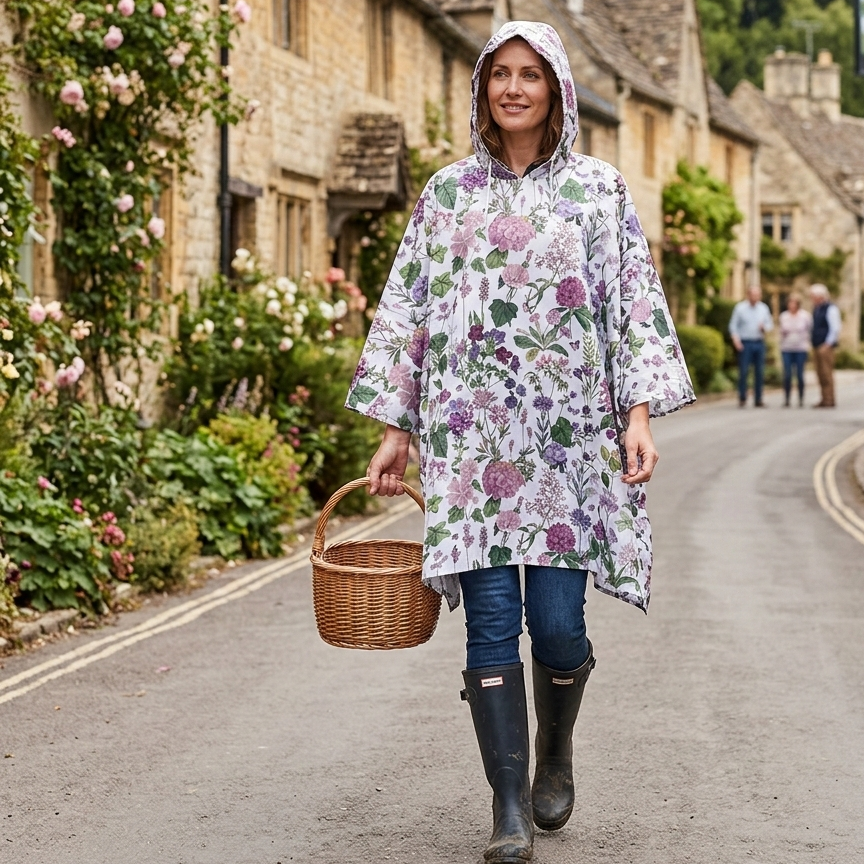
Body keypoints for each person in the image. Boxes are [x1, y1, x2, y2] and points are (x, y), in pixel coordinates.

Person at [346, 21, 694, 863]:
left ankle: (555, 750)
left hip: (570, 445)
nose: (512, 88)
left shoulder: (600, 193)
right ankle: (507, 807)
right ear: (481, 90)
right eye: (498, 74)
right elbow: (409, 311)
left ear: (557, 90)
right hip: (469, 444)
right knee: (492, 621)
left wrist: (637, 415)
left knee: (559, 622)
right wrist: (398, 428)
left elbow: (633, 307)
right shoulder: (445, 195)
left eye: (529, 75)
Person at [729, 285, 773, 407]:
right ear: (748, 295)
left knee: (759, 372)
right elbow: (733, 326)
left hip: (759, 342)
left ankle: (758, 398)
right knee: (743, 371)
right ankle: (742, 397)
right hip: (745, 343)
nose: (755, 297)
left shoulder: (763, 308)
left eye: (758, 295)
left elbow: (770, 324)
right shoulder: (740, 308)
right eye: (753, 295)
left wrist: (765, 328)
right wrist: (736, 341)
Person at [809, 283, 841, 408]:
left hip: (825, 346)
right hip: (817, 344)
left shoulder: (830, 308)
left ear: (819, 296)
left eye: (813, 296)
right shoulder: (817, 309)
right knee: (820, 373)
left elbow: (835, 327)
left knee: (827, 373)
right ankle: (824, 398)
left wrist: (828, 343)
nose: (811, 299)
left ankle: (830, 399)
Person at [778, 293, 811, 407]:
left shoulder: (805, 316)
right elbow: (781, 332)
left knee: (800, 375)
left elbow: (810, 330)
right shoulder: (784, 316)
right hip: (787, 348)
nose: (792, 305)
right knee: (787, 374)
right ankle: (787, 398)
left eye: (794, 303)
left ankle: (801, 398)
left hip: (800, 348)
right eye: (790, 303)